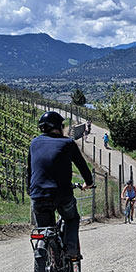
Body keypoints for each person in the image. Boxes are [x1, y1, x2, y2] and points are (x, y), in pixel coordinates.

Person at [28, 111, 94, 260]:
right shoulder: (68, 143)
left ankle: (48, 262)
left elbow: (30, 171)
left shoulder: (34, 143)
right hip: (62, 194)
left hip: (38, 195)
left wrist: (30, 190)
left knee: (45, 229)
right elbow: (83, 167)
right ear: (59, 127)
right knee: (71, 218)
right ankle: (71, 249)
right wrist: (89, 183)